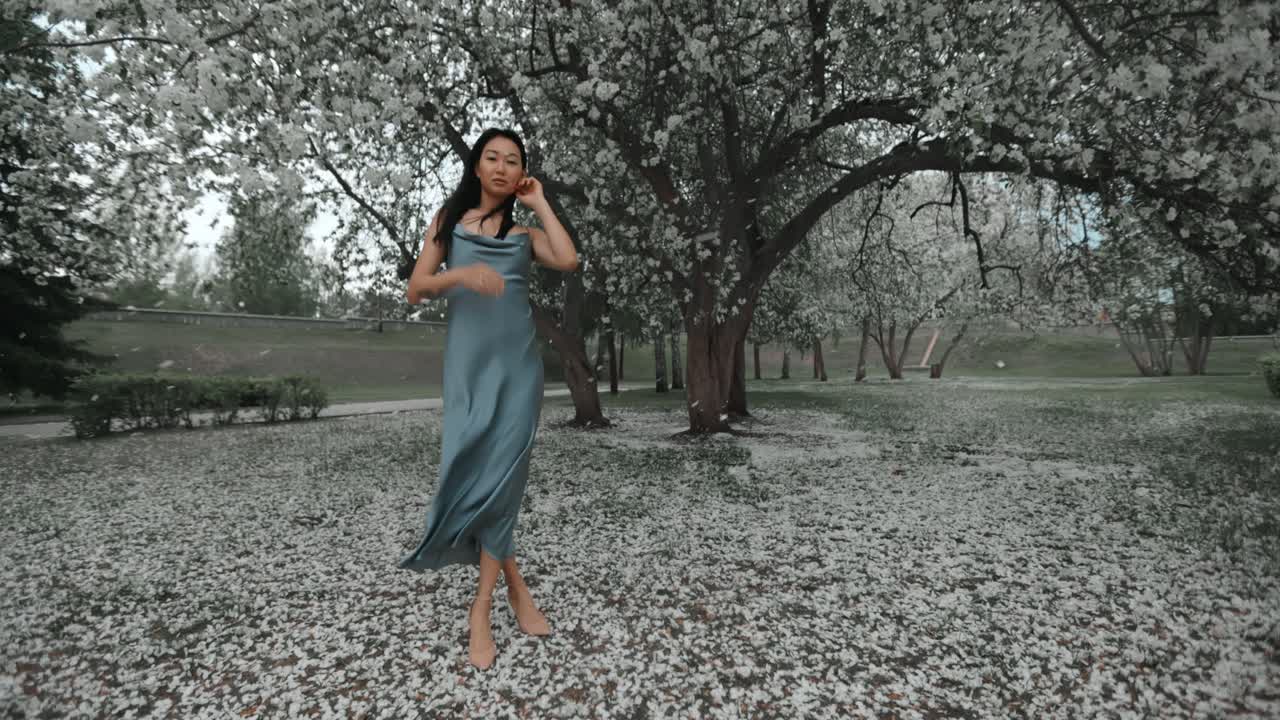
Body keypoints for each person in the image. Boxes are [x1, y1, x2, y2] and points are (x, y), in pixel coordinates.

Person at [401, 128, 579, 670]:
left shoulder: (524, 235)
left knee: (504, 482)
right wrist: (463, 274)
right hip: (467, 370)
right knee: (469, 473)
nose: (502, 168)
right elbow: (416, 288)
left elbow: (569, 260)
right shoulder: (448, 224)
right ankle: (516, 586)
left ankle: (481, 608)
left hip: (519, 372)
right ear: (477, 167)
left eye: (513, 161)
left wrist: (541, 201)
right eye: (492, 158)